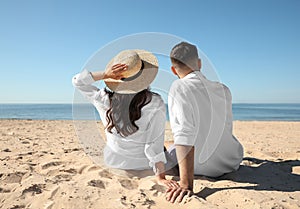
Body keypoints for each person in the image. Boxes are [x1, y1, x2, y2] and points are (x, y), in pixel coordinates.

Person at [72, 49, 178, 189]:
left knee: (168, 145)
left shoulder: (103, 98)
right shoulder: (154, 102)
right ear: (144, 76)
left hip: (114, 162)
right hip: (144, 165)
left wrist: (105, 74)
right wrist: (160, 177)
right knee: (175, 148)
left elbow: (77, 81)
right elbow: (154, 144)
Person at [166, 42, 244, 203]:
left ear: (174, 70)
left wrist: (186, 185)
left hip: (203, 167)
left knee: (163, 145)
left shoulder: (179, 86)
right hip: (231, 161)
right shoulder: (224, 89)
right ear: (199, 63)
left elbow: (184, 133)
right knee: (170, 143)